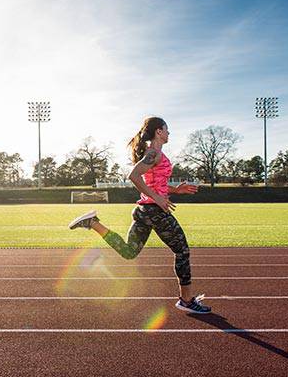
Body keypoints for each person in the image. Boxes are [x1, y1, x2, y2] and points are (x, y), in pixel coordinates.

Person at [68, 117, 211, 313]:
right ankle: (186, 301)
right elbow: (133, 176)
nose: (169, 133)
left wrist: (176, 190)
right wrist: (158, 198)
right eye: (166, 129)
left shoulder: (156, 153)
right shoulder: (153, 153)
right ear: (159, 131)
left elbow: (156, 184)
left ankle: (93, 223)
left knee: (129, 252)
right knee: (182, 251)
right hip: (154, 211)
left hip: (145, 210)